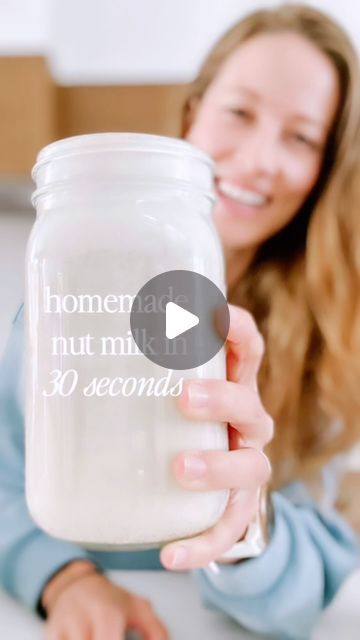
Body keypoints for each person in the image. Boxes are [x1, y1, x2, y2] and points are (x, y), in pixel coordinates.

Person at [0, 3, 359, 639]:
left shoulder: (326, 346)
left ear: (324, 171)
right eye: (239, 112)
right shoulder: (69, 294)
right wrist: (64, 578)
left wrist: (248, 526)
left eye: (301, 137)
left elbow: (310, 593)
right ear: (193, 113)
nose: (257, 159)